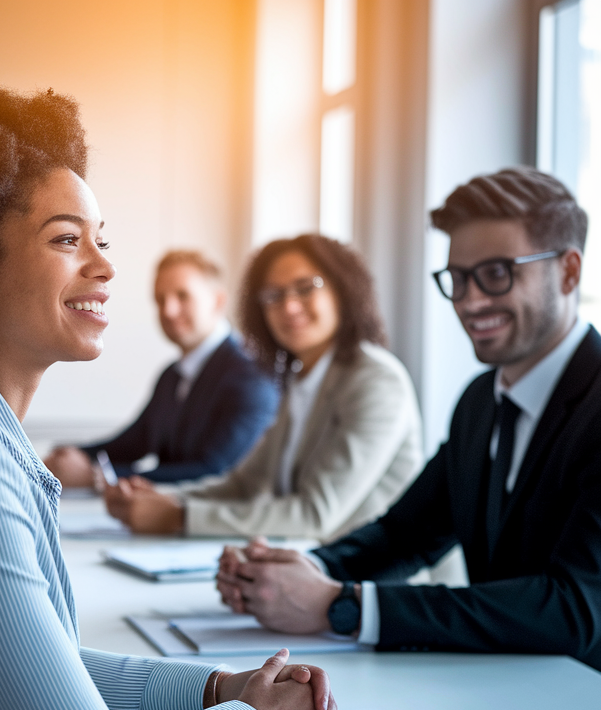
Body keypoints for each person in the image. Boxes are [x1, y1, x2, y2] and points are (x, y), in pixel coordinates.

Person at [0, 88, 336, 710]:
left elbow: (48, 666)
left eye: (103, 240)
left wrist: (221, 687)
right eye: (68, 240)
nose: (105, 267)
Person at [215, 167, 601, 669]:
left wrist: (343, 607)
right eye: (458, 278)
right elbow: (406, 534)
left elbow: (575, 609)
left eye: (497, 273)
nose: (470, 300)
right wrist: (290, 572)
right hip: (506, 687)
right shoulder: (481, 400)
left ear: (569, 272)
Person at [104, 234, 423, 543]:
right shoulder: (299, 380)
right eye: (273, 295)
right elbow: (242, 485)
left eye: (305, 288)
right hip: (313, 570)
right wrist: (156, 498)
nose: (289, 307)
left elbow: (315, 514)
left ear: (342, 289)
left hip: (382, 585)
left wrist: (179, 516)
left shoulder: (376, 378)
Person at [43, 249, 278, 486]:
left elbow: (212, 471)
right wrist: (68, 455)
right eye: (160, 299)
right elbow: (133, 443)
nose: (168, 310)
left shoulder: (251, 375)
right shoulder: (171, 376)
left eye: (182, 296)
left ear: (217, 301)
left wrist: (96, 477)